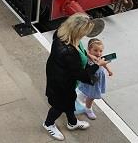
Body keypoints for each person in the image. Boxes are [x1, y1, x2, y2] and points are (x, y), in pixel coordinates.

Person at [43, 13, 107, 141]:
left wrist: (88, 56)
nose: (84, 36)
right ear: (77, 31)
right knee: (59, 106)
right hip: (61, 83)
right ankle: (48, 123)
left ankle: (72, 123)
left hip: (59, 75)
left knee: (69, 100)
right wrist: (97, 65)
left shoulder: (61, 33)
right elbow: (81, 75)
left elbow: (78, 50)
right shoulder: (68, 52)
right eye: (84, 33)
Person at [76, 38, 113, 120]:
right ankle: (88, 109)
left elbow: (104, 64)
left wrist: (109, 70)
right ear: (89, 50)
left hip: (97, 80)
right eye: (95, 50)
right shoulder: (88, 58)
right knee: (91, 96)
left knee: (87, 93)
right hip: (91, 80)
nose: (98, 53)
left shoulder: (100, 58)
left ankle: (83, 100)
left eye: (100, 51)